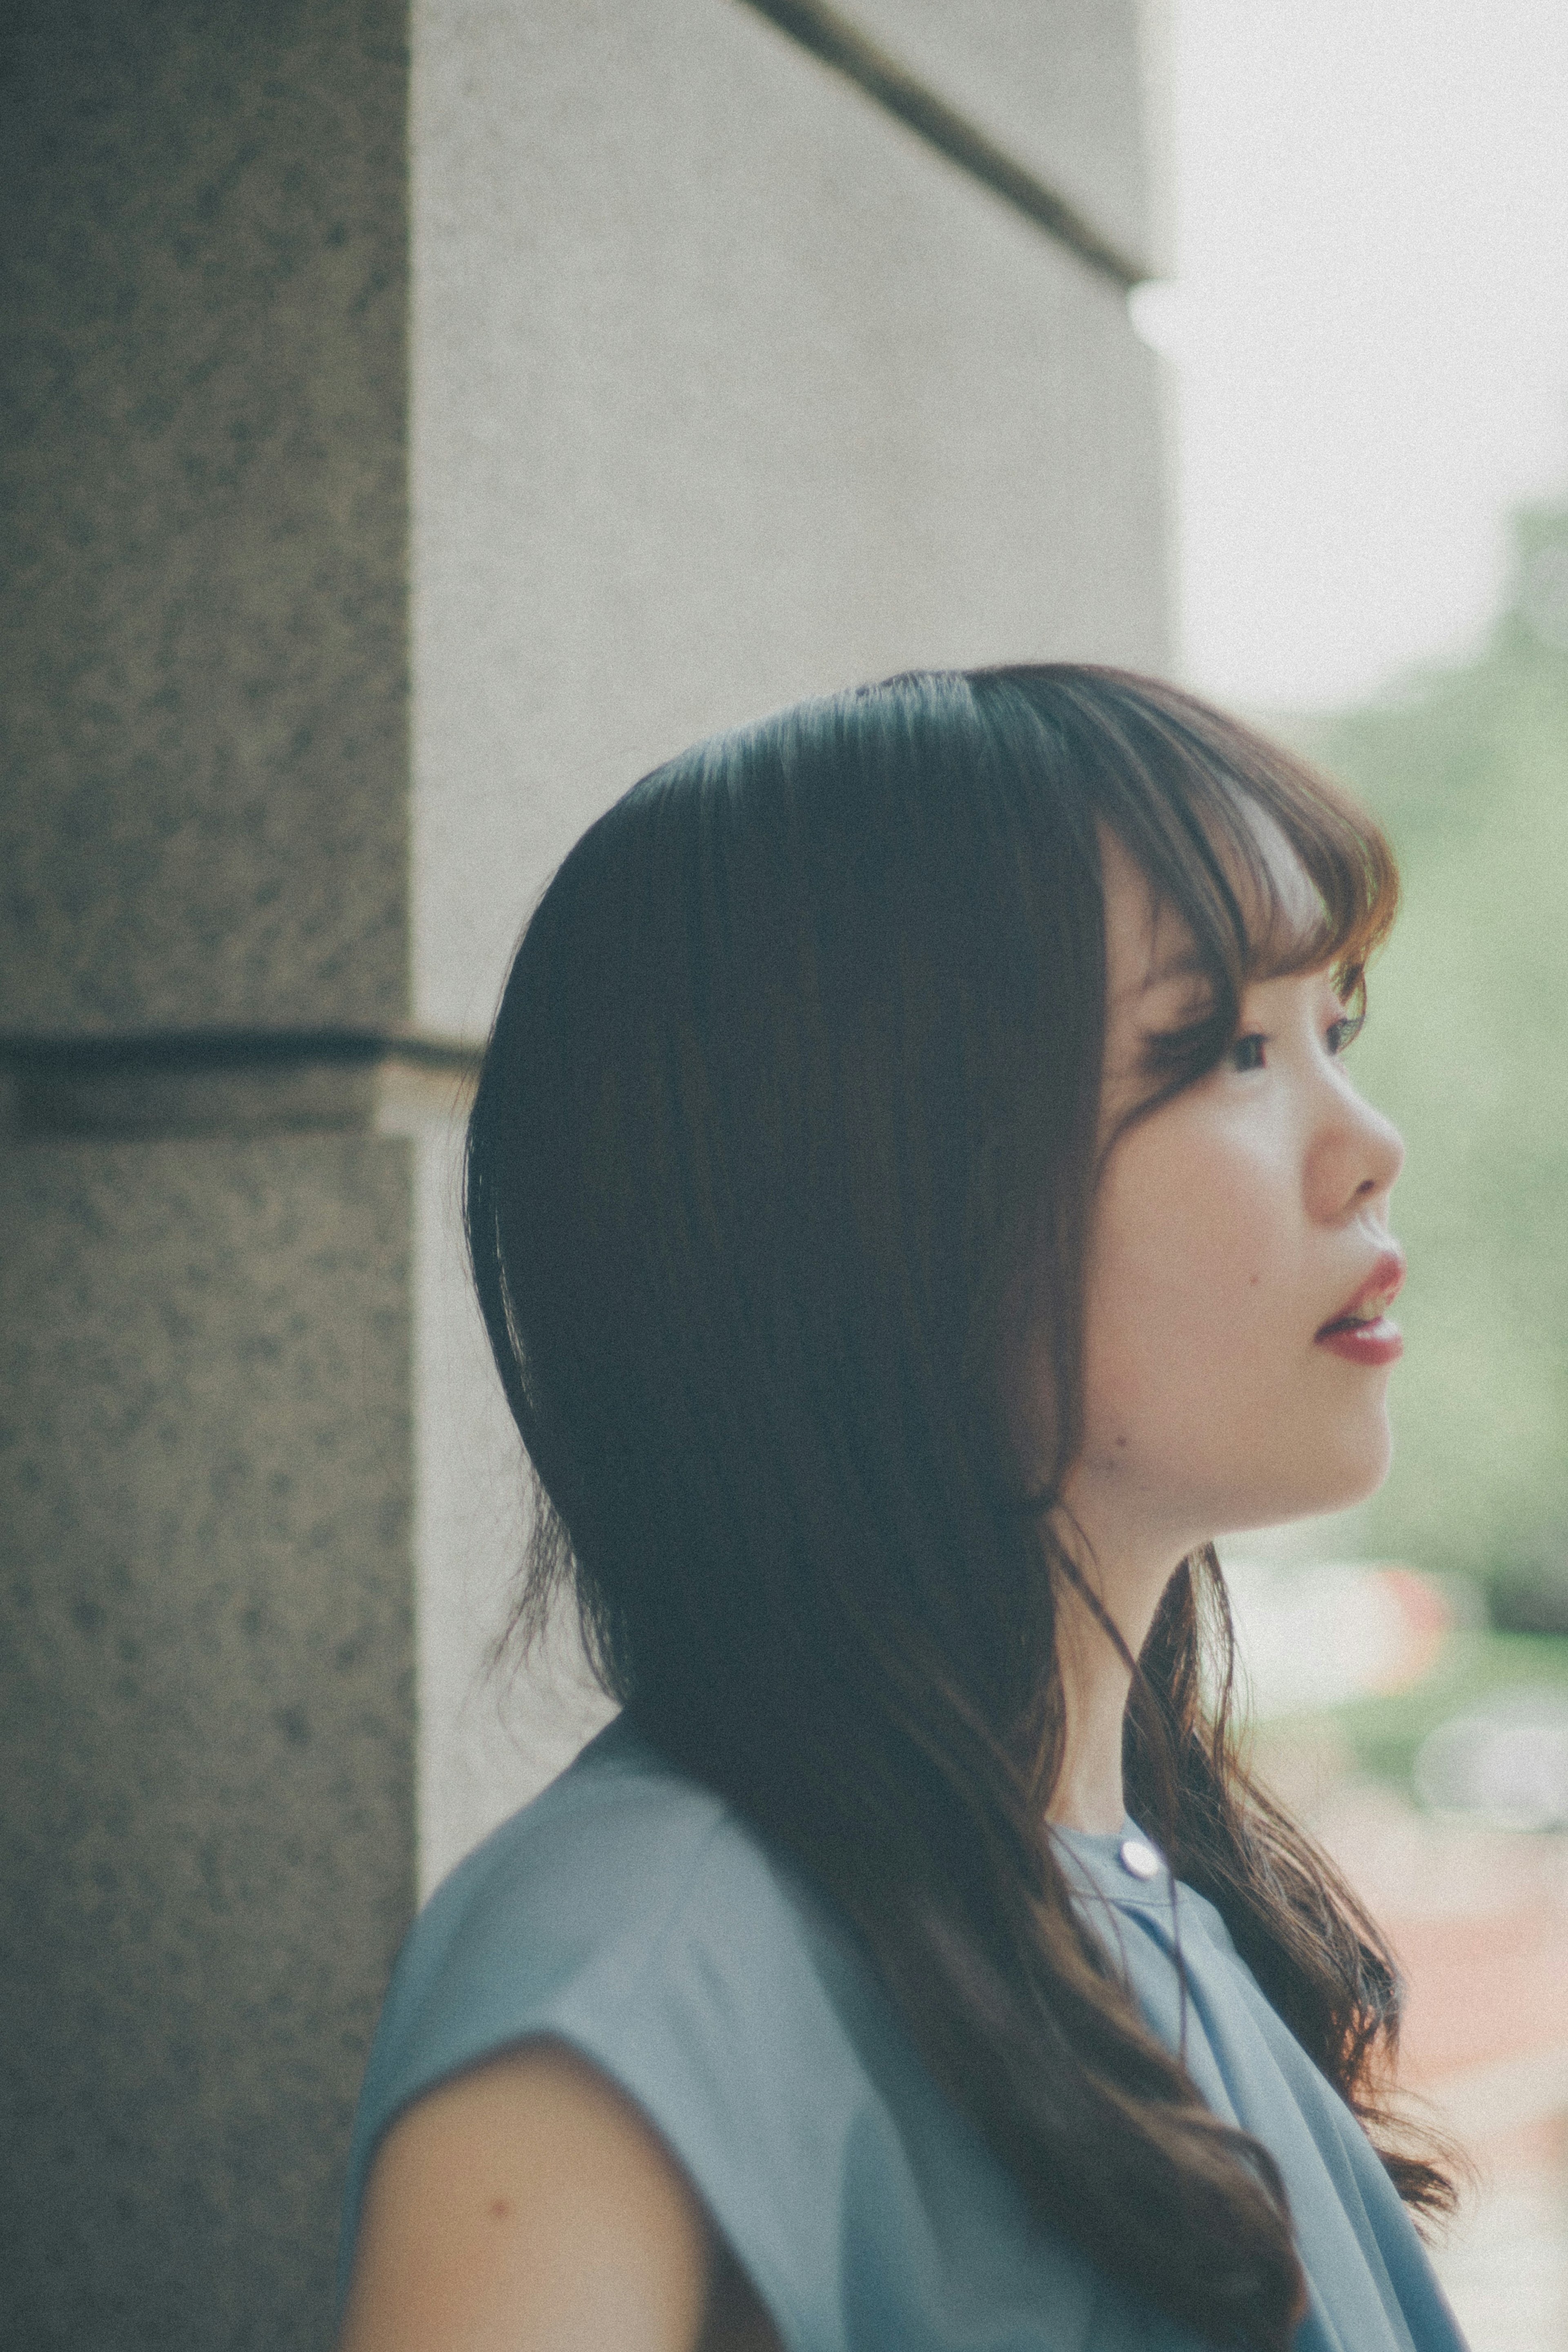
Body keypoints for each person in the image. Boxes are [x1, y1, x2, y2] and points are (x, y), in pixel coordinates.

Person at [335, 666, 1469, 2352]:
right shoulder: (635, 1980)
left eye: (1333, 1030)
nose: (1366, 1143)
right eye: (1222, 1047)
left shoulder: (1162, 1897)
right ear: (876, 1190)